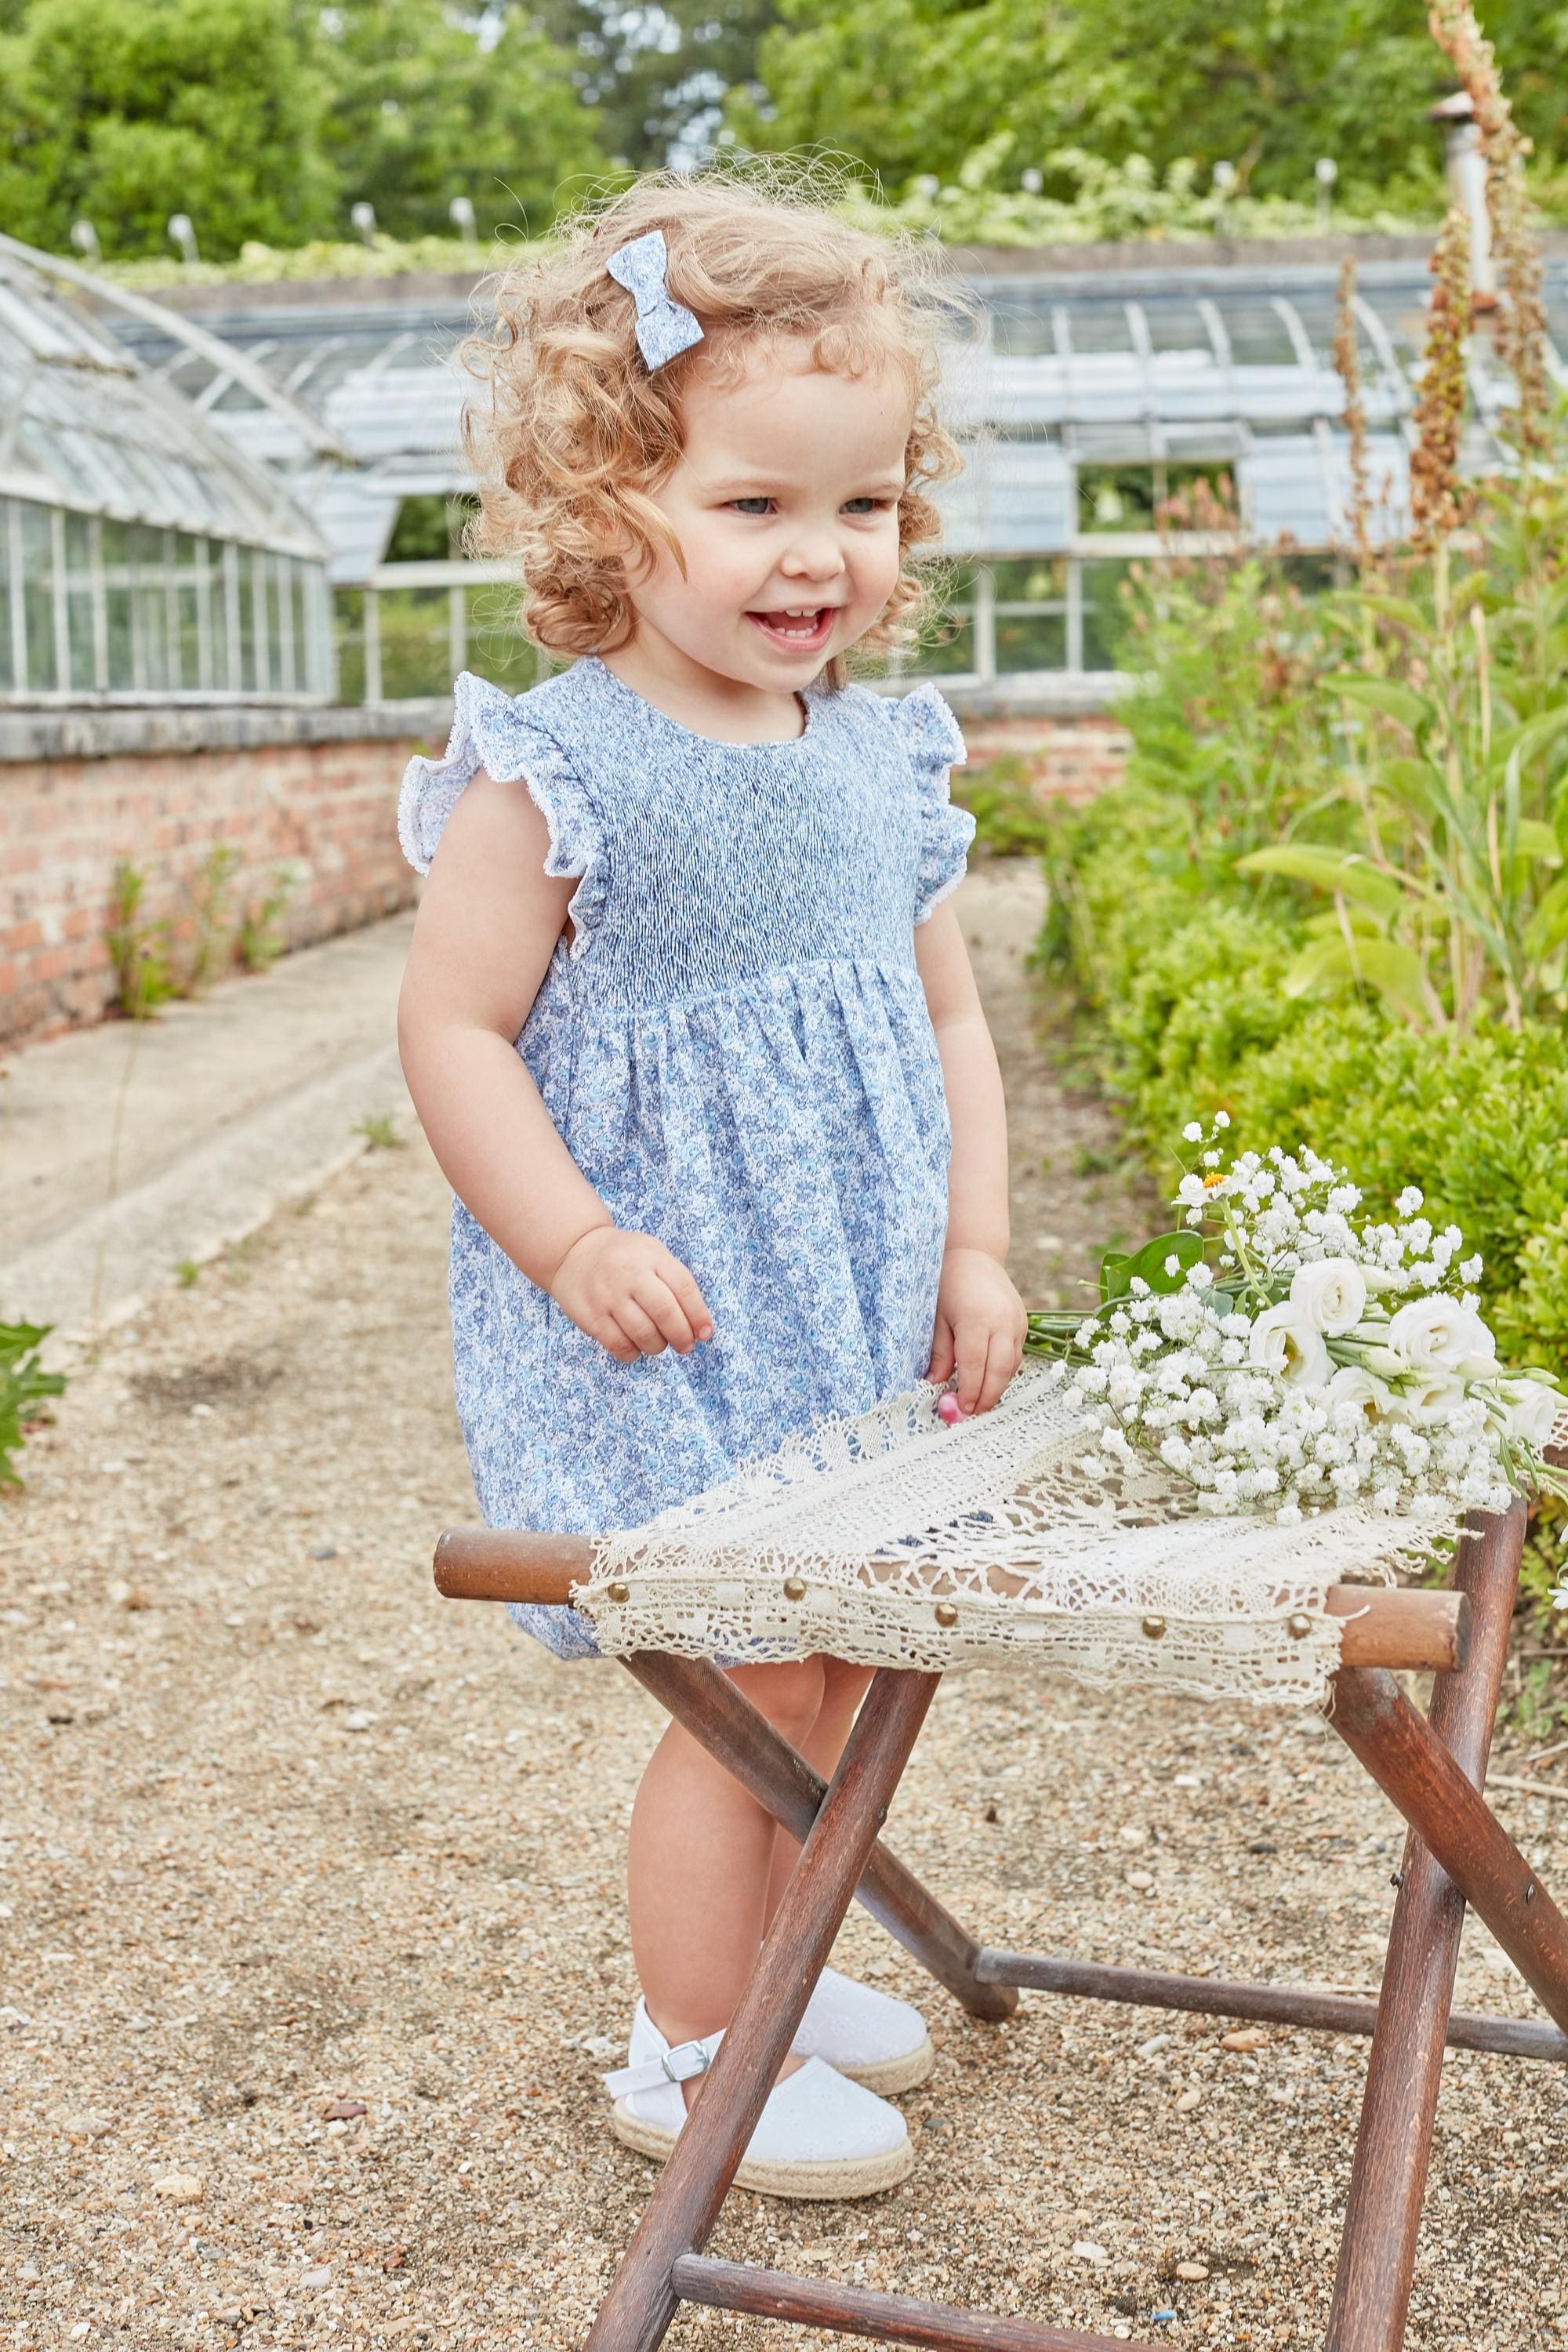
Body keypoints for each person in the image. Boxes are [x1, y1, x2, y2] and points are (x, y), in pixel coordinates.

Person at [396, 171, 1026, 2200]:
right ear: (605, 506)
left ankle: (780, 1959)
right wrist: (569, 1236)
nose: (816, 556)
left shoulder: (880, 757)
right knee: (750, 1670)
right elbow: (457, 1032)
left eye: (859, 508)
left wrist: (982, 1244)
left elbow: (944, 1027)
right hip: (677, 1311)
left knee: (838, 1651)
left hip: (852, 1298)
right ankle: (686, 2053)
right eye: (755, 505)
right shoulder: (556, 767)